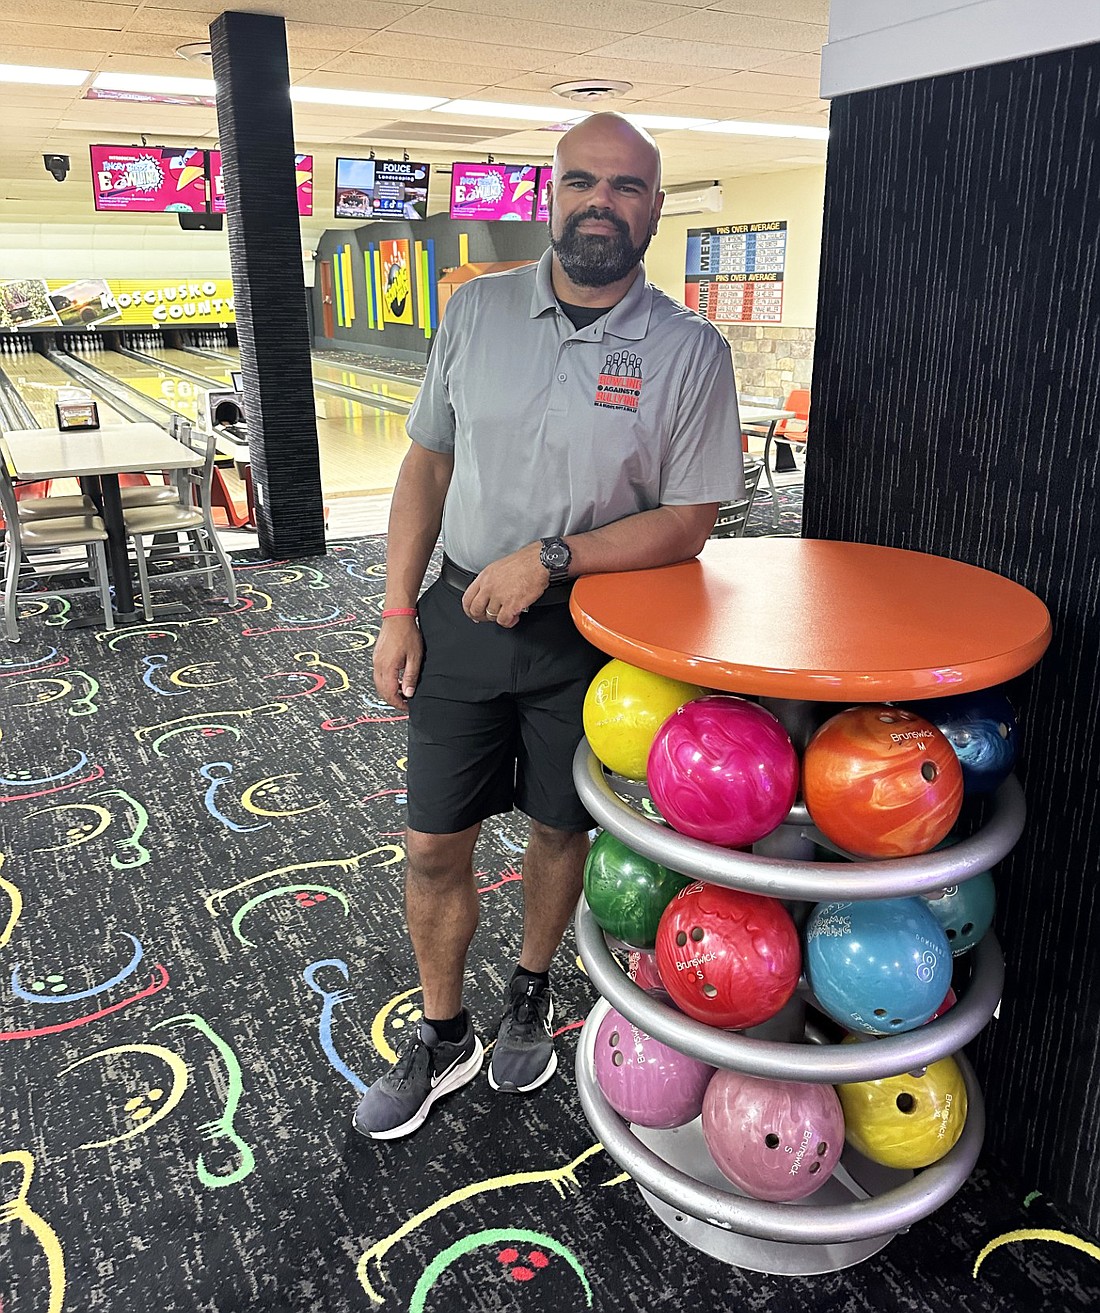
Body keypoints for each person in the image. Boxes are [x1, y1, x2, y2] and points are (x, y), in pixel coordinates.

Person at [354, 113, 744, 1141]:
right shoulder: (474, 314)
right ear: (552, 195)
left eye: (624, 187)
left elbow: (688, 518)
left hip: (595, 635)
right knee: (432, 839)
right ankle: (443, 1030)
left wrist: (556, 558)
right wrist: (397, 605)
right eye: (582, 182)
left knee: (557, 827)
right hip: (461, 614)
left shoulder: (689, 350)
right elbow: (426, 464)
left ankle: (529, 988)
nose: (599, 203)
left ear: (654, 207)